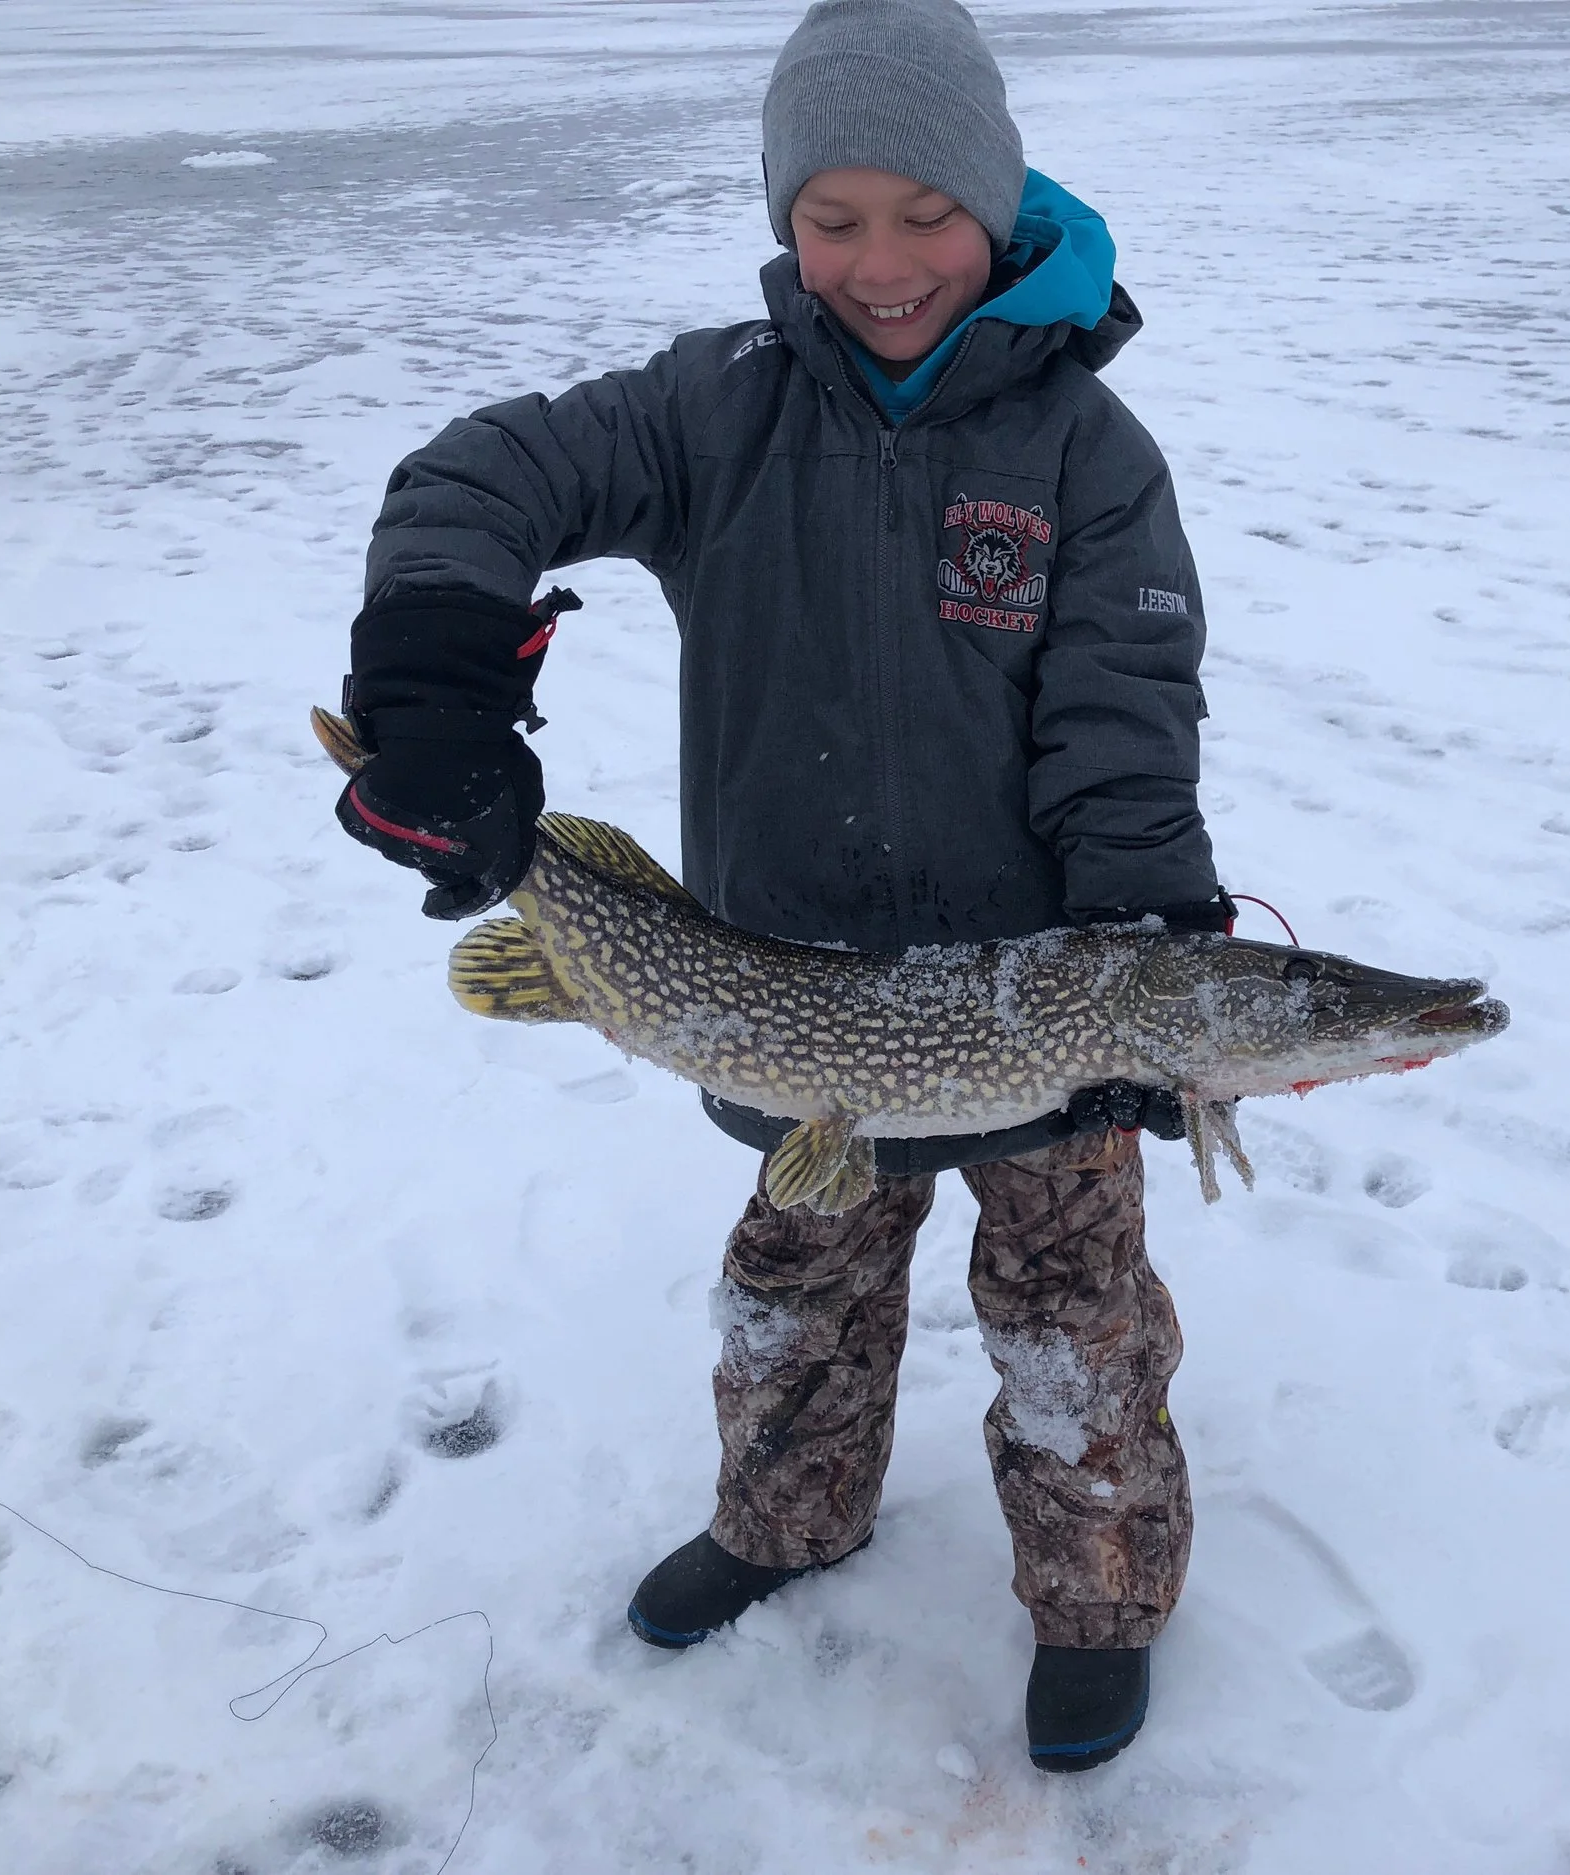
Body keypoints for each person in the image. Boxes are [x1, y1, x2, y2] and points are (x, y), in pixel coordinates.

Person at [332, 0, 1227, 1771]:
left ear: (997, 194)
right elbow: (479, 473)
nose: (883, 261)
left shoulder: (1084, 459)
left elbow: (1123, 725)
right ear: (782, 221)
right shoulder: (711, 414)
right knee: (793, 1295)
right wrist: (437, 674)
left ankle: (1100, 1600)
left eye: (925, 212)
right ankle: (783, 1522)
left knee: (1077, 1321)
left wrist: (1144, 946)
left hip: (1038, 999)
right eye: (833, 219)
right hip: (775, 973)